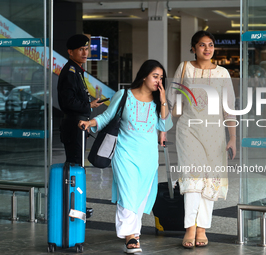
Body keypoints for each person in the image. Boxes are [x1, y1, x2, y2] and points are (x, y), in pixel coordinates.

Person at [79, 60, 173, 253]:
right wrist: (91, 123)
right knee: (128, 193)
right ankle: (130, 236)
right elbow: (107, 117)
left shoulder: (158, 103)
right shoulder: (124, 96)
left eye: (161, 78)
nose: (158, 81)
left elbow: (164, 127)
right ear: (144, 75)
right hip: (124, 153)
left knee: (140, 196)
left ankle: (134, 232)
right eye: (155, 76)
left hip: (148, 157)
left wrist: (163, 99)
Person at [166, 30, 237, 248]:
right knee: (192, 177)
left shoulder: (223, 73)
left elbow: (229, 108)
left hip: (215, 132)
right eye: (202, 45)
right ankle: (190, 228)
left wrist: (232, 138)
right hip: (189, 130)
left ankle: (202, 227)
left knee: (211, 179)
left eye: (210, 45)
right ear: (194, 47)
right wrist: (181, 109)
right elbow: (172, 97)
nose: (207, 49)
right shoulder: (184, 67)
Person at [58, 34, 103, 164]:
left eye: (86, 49)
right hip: (73, 127)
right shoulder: (70, 72)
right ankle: (72, 185)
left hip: (79, 125)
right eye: (80, 49)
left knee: (77, 162)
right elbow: (68, 101)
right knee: (75, 163)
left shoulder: (77, 70)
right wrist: (89, 106)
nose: (85, 53)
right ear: (70, 52)